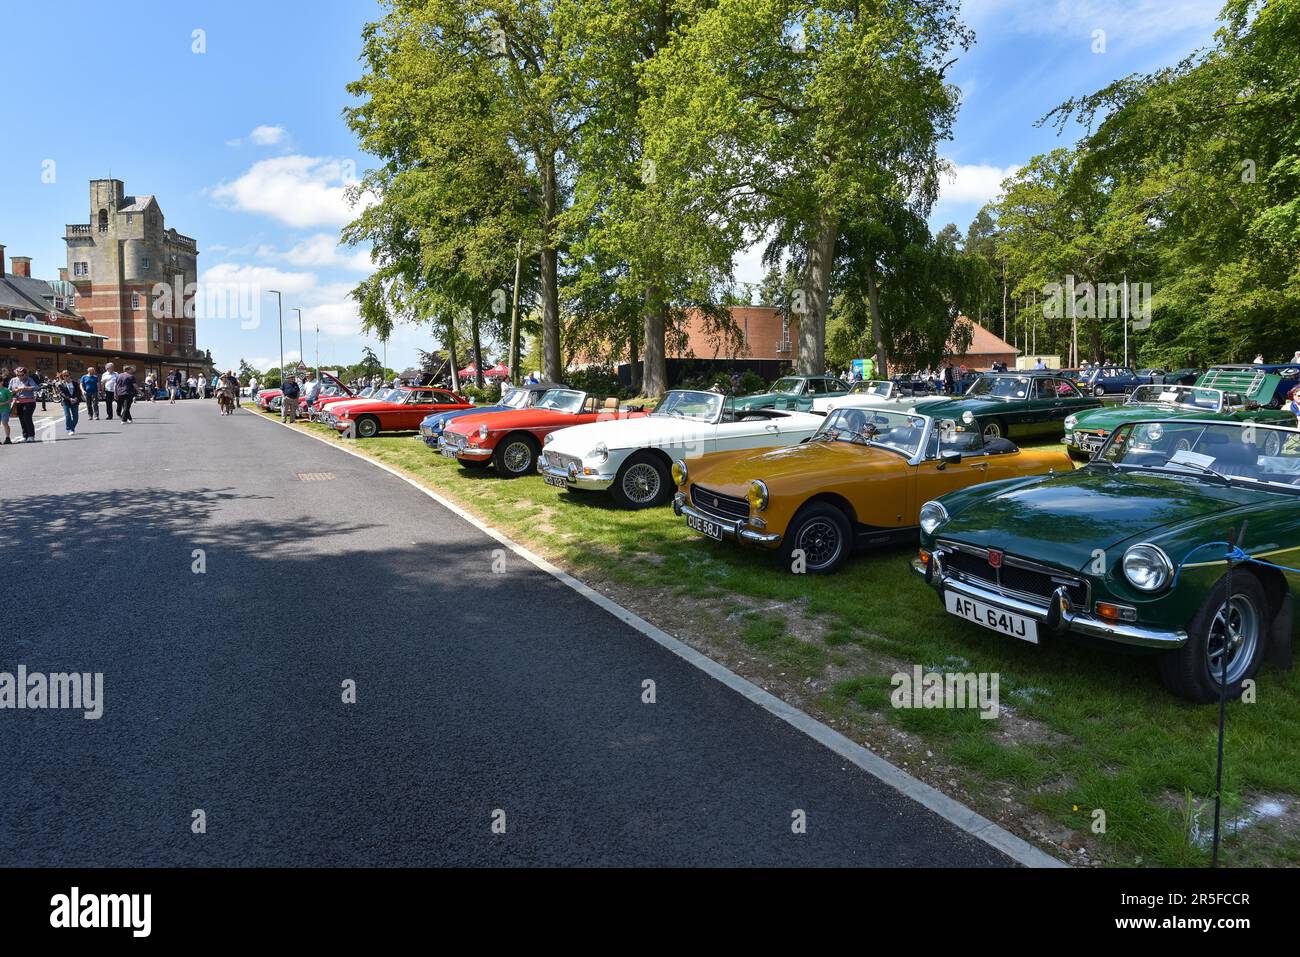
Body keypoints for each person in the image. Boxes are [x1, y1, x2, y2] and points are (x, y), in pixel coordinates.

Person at [9, 366, 38, 442]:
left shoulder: (29, 379)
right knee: (22, 419)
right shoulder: (13, 380)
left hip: (29, 402)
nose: (20, 377)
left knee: (27, 418)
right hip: (18, 402)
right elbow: (9, 391)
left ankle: (31, 436)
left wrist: (24, 387)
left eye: (22, 375)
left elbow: (36, 387)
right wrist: (14, 391)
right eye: (18, 375)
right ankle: (25, 436)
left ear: (25, 374)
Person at [55, 370, 83, 436]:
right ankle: (69, 429)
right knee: (67, 415)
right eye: (64, 376)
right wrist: (69, 399)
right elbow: (62, 393)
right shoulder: (61, 384)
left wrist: (76, 398)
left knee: (76, 417)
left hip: (75, 401)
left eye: (67, 375)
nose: (65, 377)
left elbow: (78, 392)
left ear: (70, 375)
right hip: (66, 401)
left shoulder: (75, 383)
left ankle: (71, 427)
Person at [0, 368, 12, 445]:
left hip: (5, 409)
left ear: (2, 382)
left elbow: (10, 400)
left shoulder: (6, 390)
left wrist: (3, 403)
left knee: (5, 423)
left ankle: (8, 438)